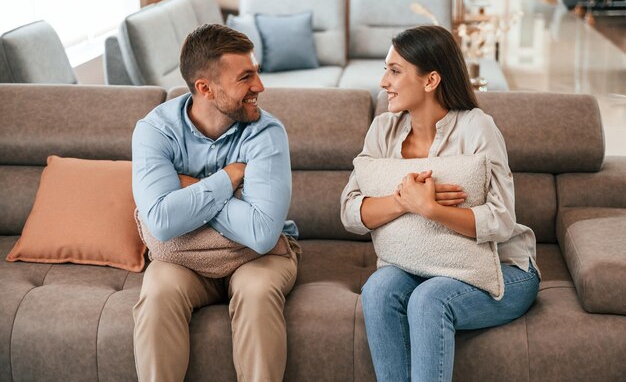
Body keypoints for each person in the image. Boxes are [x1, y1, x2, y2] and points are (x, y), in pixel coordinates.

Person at [340, 25, 540, 382]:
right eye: (386, 69)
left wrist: (432, 209)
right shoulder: (382, 130)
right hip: (419, 264)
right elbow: (352, 212)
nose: (383, 81)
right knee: (378, 289)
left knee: (430, 300)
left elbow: (501, 220)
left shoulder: (477, 128)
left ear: (431, 80)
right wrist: (405, 201)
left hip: (504, 269)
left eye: (395, 70)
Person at [131, 24, 299, 382]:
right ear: (205, 88)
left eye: (257, 72)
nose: (260, 86)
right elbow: (161, 220)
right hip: (186, 260)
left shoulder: (267, 133)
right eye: (246, 77)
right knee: (158, 292)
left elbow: (260, 232)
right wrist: (228, 180)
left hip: (258, 259)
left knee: (256, 293)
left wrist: (191, 190)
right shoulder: (155, 131)